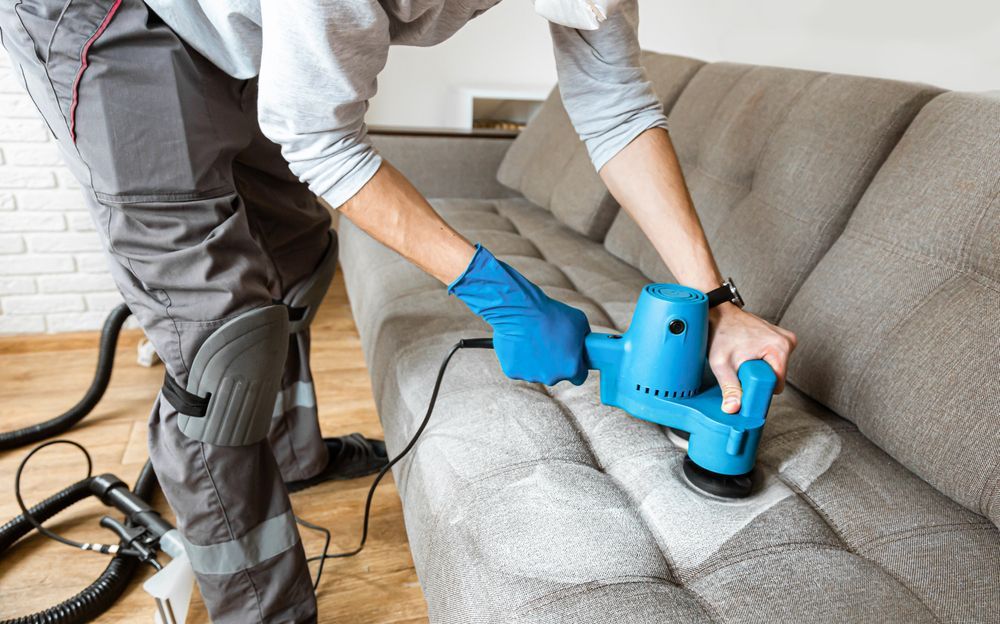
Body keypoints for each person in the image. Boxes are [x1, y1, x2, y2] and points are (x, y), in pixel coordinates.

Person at [0, 0, 797, 621]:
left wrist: (716, 300)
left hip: (232, 30)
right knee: (224, 348)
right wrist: (500, 295)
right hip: (113, 21)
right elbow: (319, 139)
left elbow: (616, 103)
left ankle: (295, 457)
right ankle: (264, 613)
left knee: (296, 254)